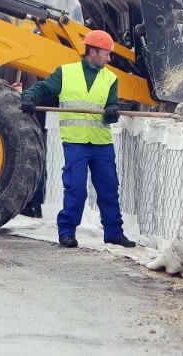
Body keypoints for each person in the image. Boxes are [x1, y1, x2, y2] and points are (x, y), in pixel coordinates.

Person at [17, 29, 136, 249]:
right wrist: (29, 97)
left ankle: (114, 233)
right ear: (92, 51)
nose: (109, 58)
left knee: (109, 189)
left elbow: (112, 103)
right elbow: (43, 89)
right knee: (76, 189)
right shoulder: (65, 73)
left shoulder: (110, 78)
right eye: (106, 53)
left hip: (101, 143)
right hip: (76, 142)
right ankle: (67, 233)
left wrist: (112, 109)